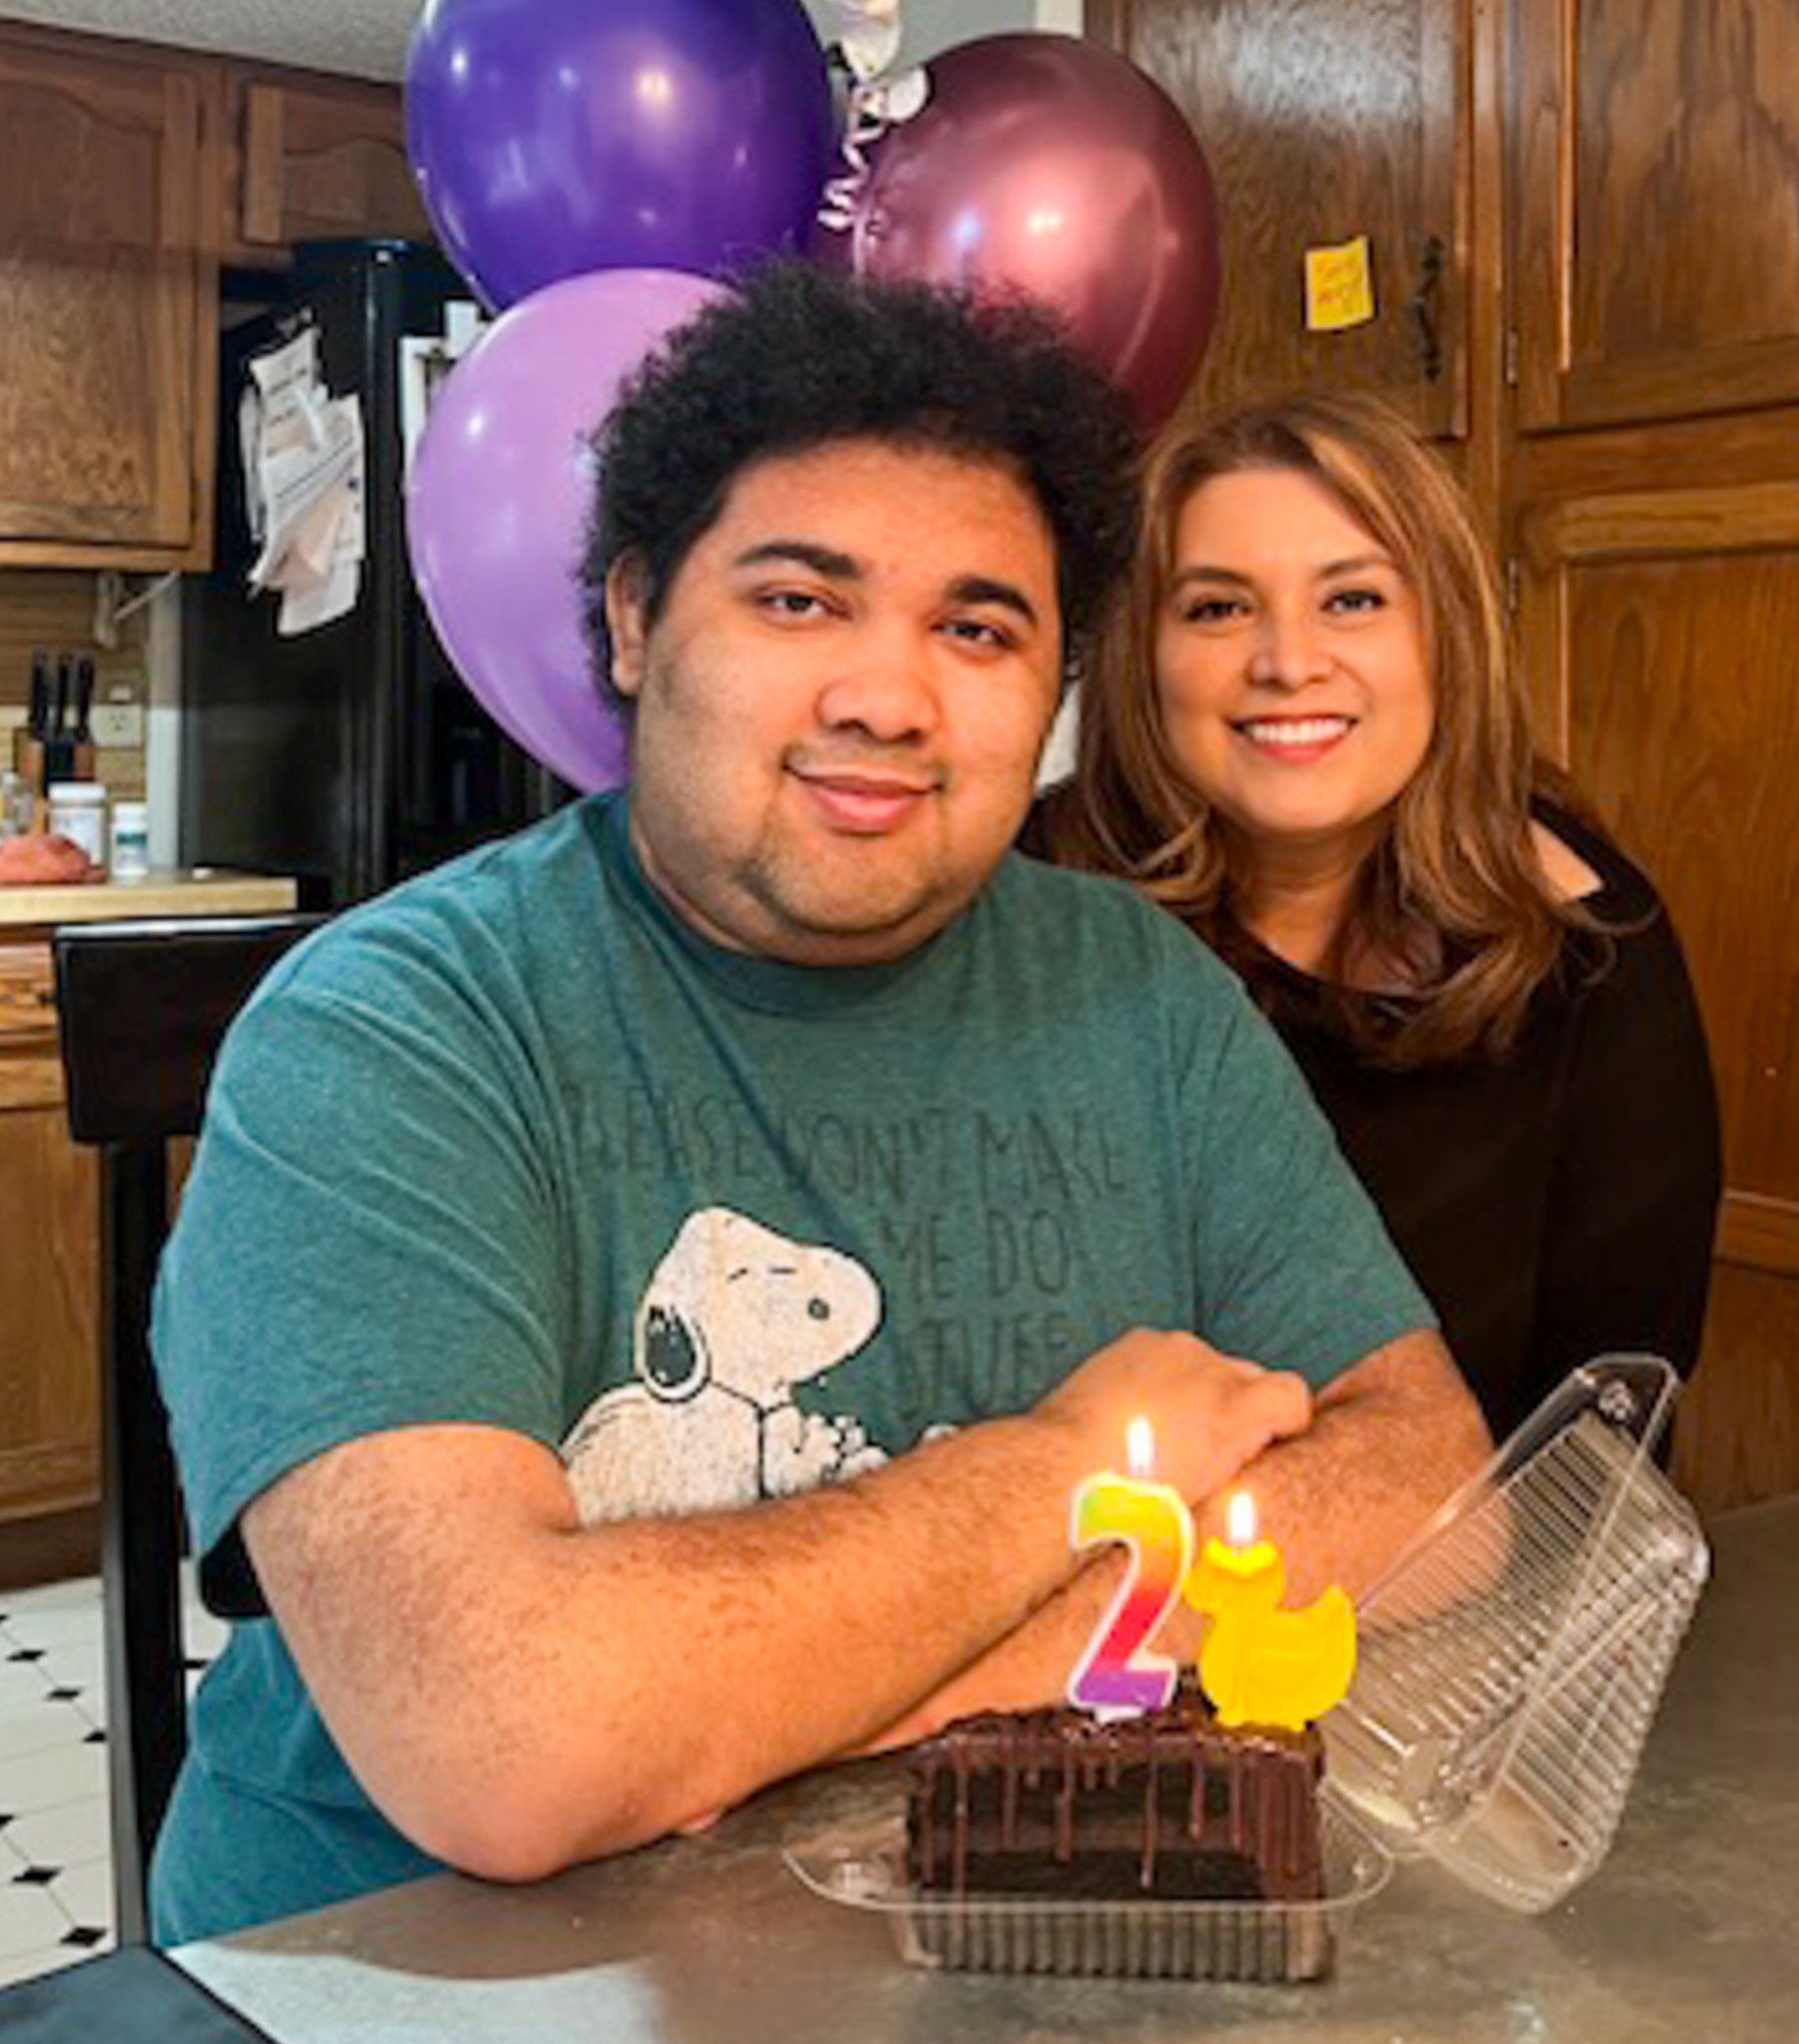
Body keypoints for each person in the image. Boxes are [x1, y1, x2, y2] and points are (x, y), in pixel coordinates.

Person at [149, 266, 1493, 1944]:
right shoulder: (394, 1030)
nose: (887, 697)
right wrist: (1072, 1463)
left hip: (989, 1947)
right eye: (798, 600)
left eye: (978, 628)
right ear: (634, 618)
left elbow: (1432, 1482)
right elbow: (507, 1734)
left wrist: (904, 1699)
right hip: (410, 1975)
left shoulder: (1138, 992)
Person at [1033, 390, 1721, 1439]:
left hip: (1468, 1542)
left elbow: (1606, 1428)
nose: (1287, 661)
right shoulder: (1021, 901)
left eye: (1351, 600)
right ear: (1140, 651)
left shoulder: (1588, 951)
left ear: (1445, 636)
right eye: (1217, 608)